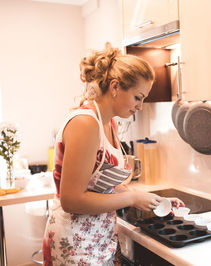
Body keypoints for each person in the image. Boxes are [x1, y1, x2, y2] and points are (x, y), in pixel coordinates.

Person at [42, 45, 184, 265]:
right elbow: (71, 200)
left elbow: (101, 184)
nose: (140, 106)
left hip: (101, 237)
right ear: (115, 86)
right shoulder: (85, 123)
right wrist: (131, 198)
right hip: (76, 244)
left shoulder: (109, 123)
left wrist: (153, 200)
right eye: (138, 97)